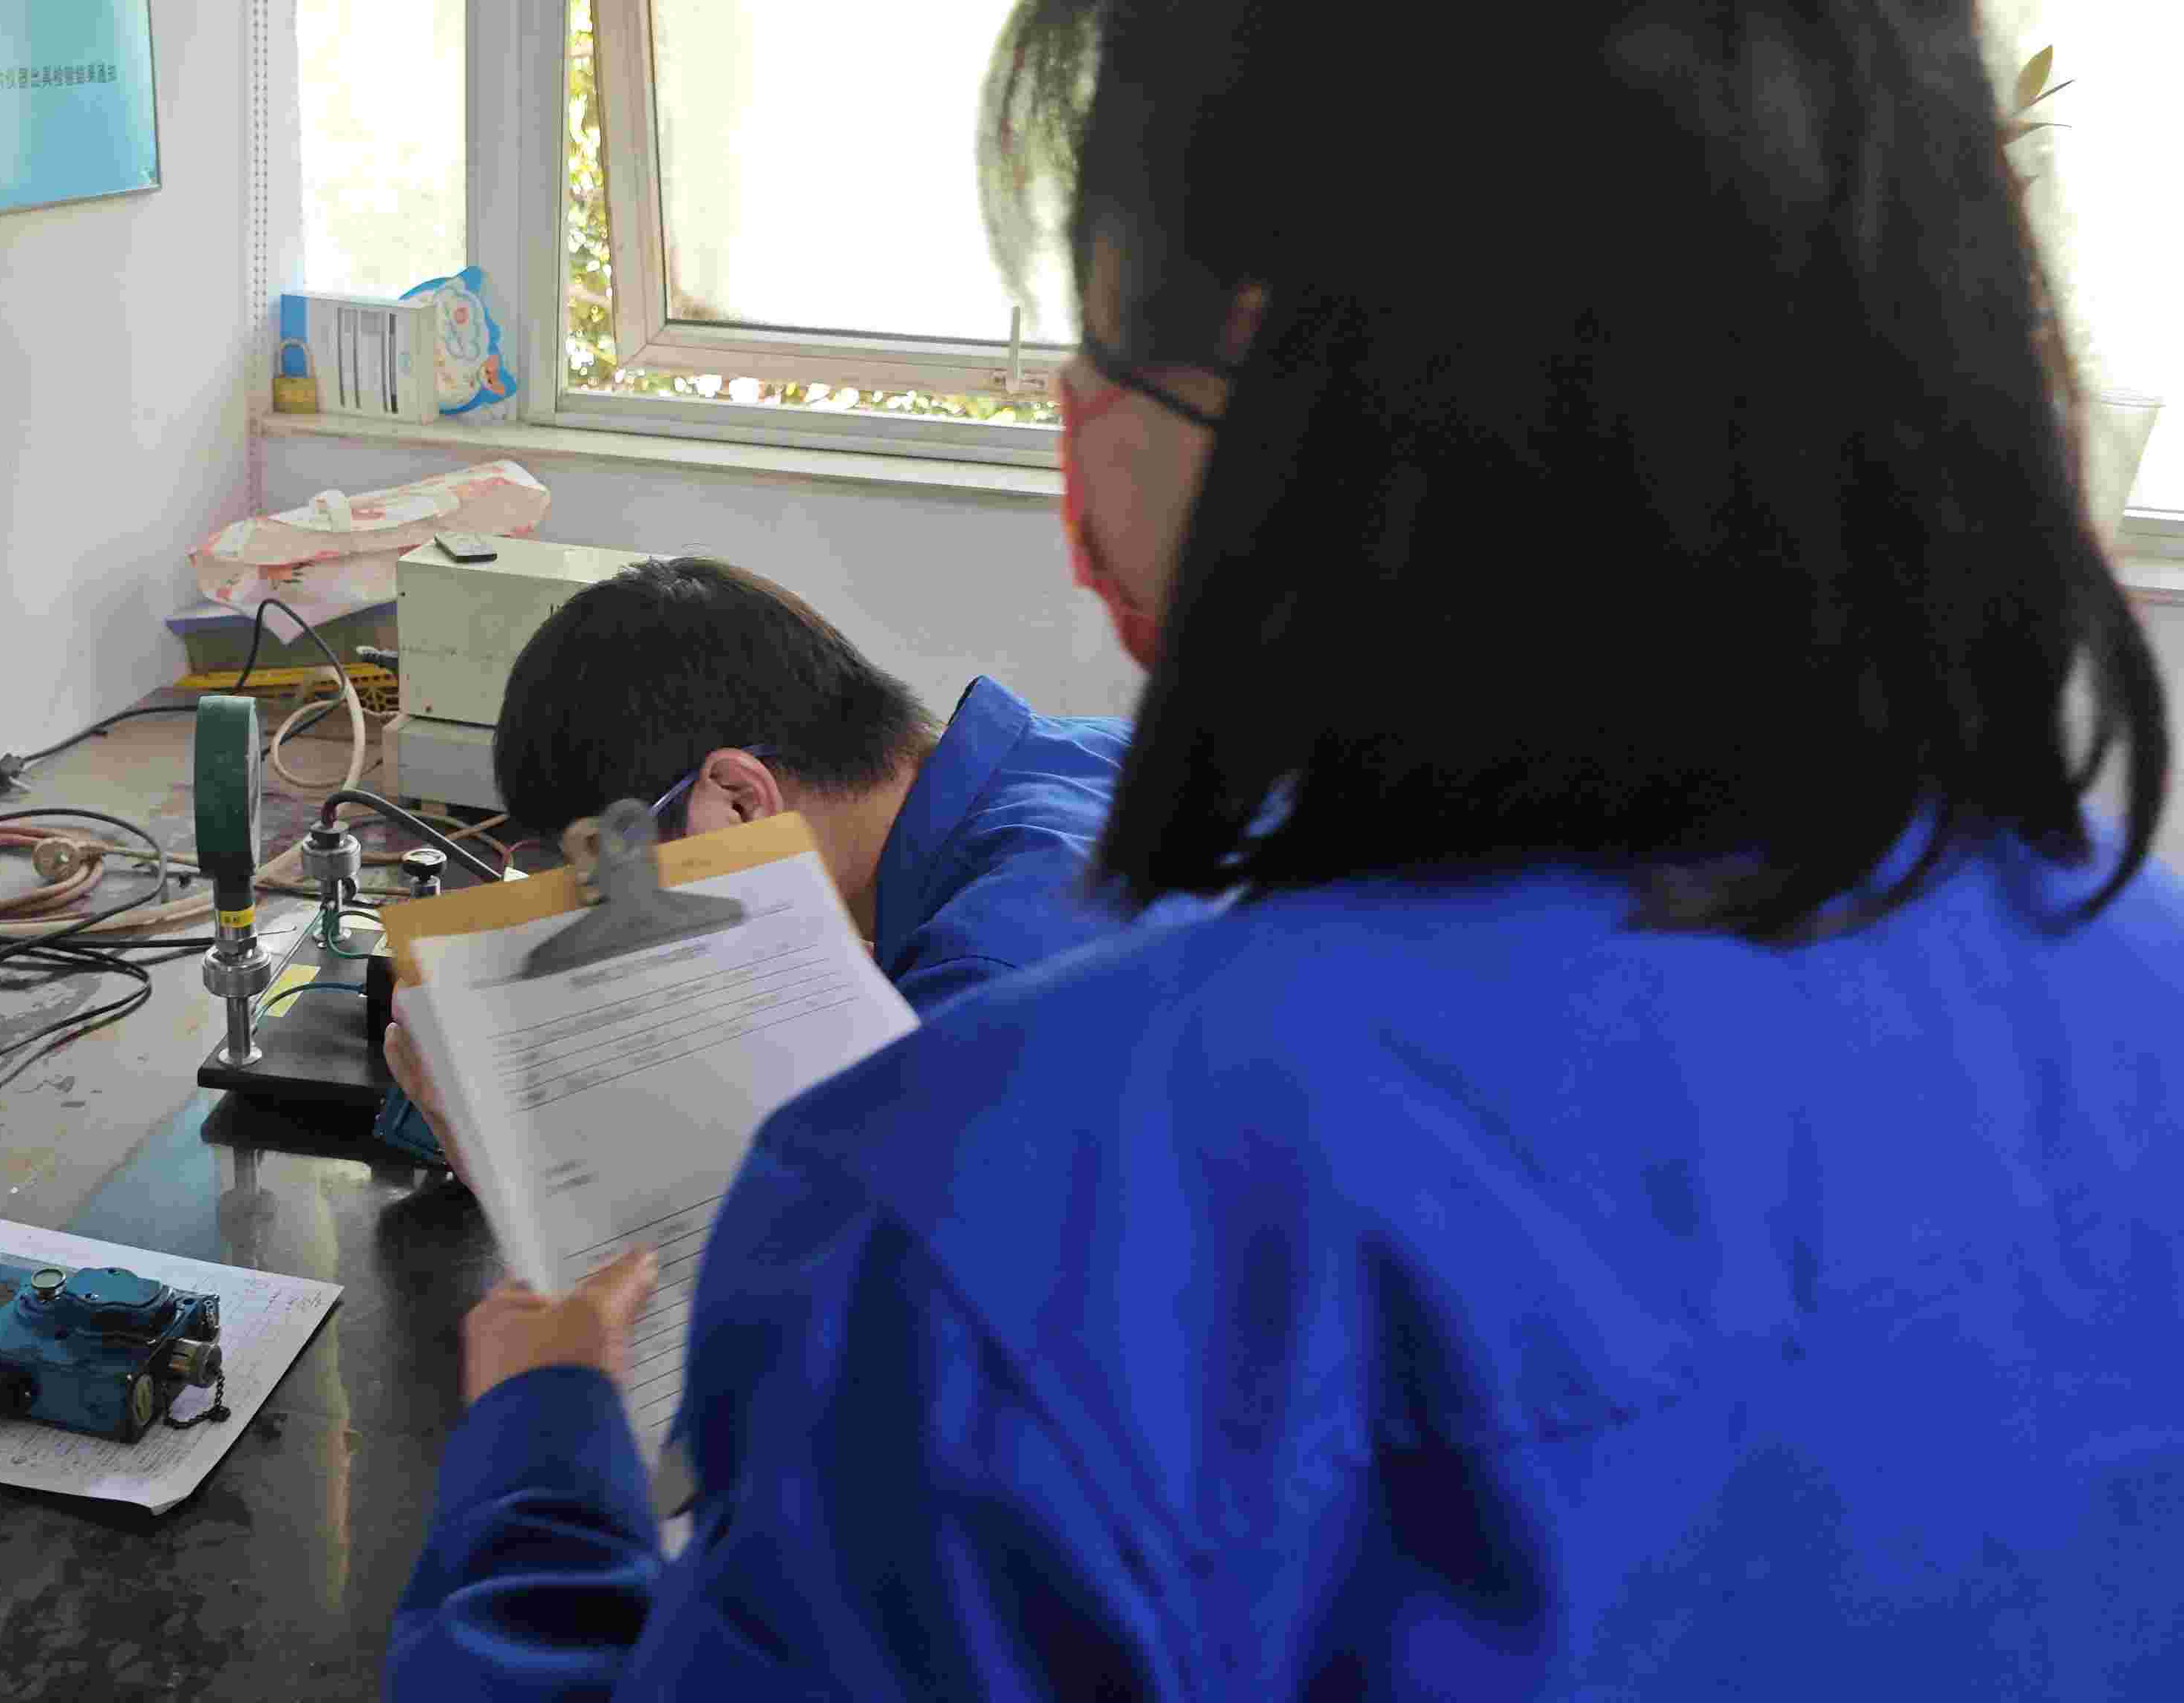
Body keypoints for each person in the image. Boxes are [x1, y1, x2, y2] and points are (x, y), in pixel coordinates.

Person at [387, 0, 2184, 1696]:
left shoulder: (996, 1216)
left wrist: (539, 1458)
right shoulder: (2143, 1002)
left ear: (1249, 423)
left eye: (1096, 335)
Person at [377, 555, 1142, 1171]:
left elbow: (849, 1296)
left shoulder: (988, 980)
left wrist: (496, 1156)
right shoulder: (1071, 759)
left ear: (739, 799)